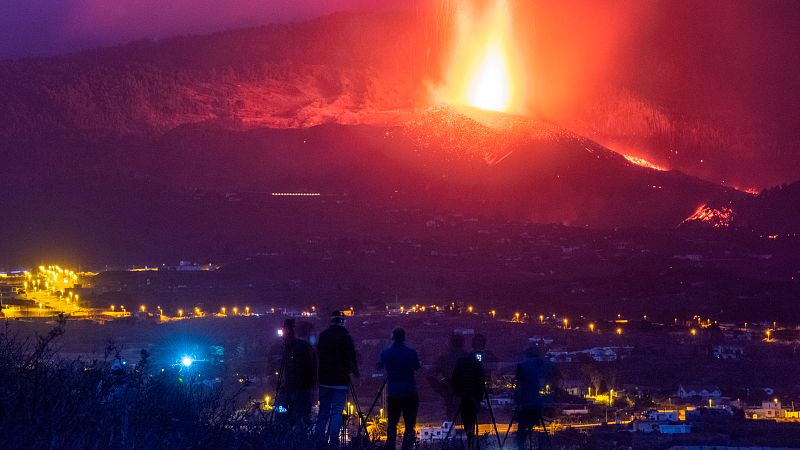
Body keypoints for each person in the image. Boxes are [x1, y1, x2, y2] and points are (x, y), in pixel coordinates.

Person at [314, 310, 360, 448]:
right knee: (337, 412)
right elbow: (352, 359)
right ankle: (334, 441)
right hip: (340, 381)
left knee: (323, 411)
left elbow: (318, 356)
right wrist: (356, 373)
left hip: (324, 380)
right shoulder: (346, 337)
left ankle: (318, 440)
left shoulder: (323, 336)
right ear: (342, 321)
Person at [379, 328, 421, 450]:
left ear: (392, 337)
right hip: (410, 392)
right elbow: (417, 367)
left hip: (393, 393)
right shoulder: (411, 352)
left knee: (392, 422)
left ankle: (390, 446)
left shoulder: (385, 353)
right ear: (404, 337)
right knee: (409, 423)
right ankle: (406, 447)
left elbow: (379, 366)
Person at [514, 344, 556, 450]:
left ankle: (521, 447)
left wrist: (517, 401)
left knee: (522, 430)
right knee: (534, 426)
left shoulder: (522, 365)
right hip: (536, 403)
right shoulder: (541, 364)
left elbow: (519, 386)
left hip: (525, 403)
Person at [278, 319, 316, 430]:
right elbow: (310, 368)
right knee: (300, 417)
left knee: (287, 417)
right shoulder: (304, 346)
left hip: (294, 389)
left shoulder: (294, 346)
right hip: (299, 389)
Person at [451, 333, 488, 449]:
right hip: (473, 396)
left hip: (465, 396)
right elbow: (481, 380)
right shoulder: (475, 362)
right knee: (470, 415)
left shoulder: (462, 360)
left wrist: (459, 393)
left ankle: (469, 435)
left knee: (467, 415)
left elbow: (454, 380)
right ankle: (472, 438)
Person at [428, 332, 466, 420]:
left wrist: (441, 388)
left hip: (450, 393)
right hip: (464, 394)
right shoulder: (468, 357)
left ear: (450, 344)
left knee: (452, 417)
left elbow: (431, 375)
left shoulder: (444, 359)